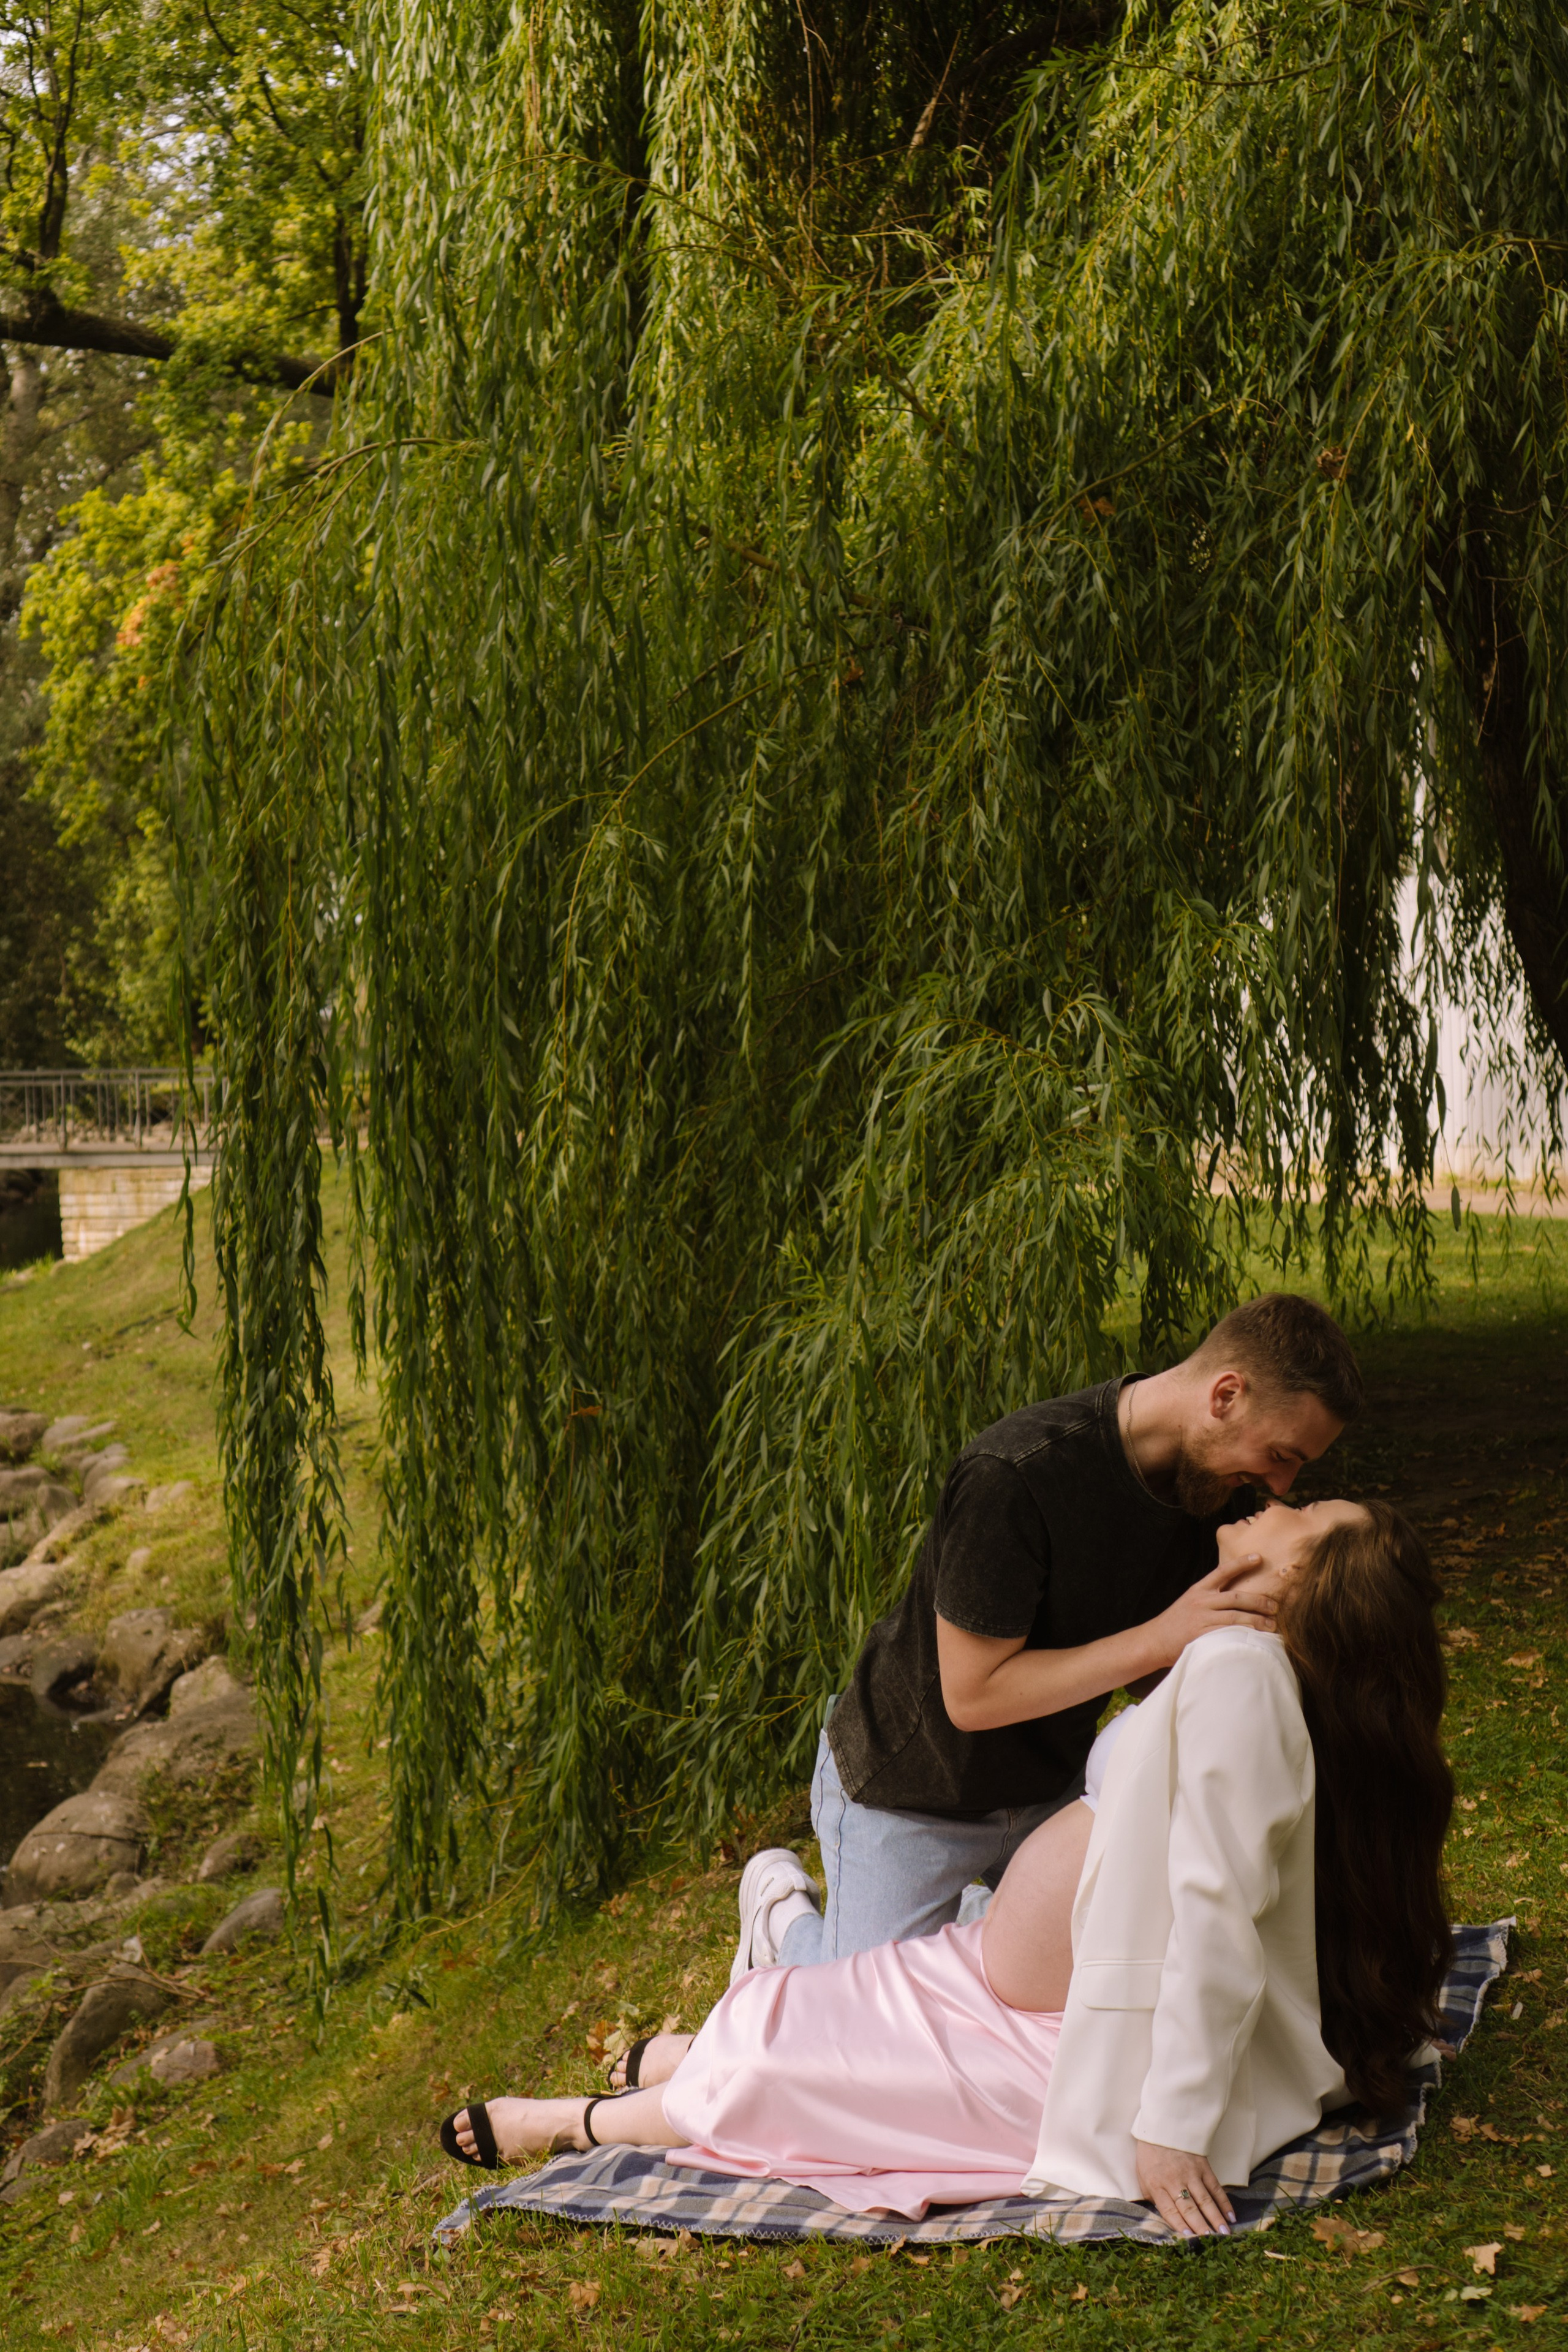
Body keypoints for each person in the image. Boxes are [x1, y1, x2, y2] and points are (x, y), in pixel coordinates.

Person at [439, 1495, 1453, 2236]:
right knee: (794, 2023)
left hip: (1061, 2052)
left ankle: (575, 2124)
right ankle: (682, 2054)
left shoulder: (1243, 1676)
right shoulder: (1244, 1661)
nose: (1280, 1499)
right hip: (1006, 1989)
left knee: (784, 2067)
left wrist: (1171, 2127)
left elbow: (1222, 1909)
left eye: (1308, 1512)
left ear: (1302, 1587)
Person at [732, 1294, 1362, 1979]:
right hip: (911, 1790)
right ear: (1226, 1395)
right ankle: (782, 1923)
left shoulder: (1222, 1494)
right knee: (843, 2027)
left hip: (1048, 1787)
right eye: (1279, 1455)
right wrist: (1162, 1637)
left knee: (1107, 1970)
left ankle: (970, 1915)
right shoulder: (1015, 1476)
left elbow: (1178, 1664)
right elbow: (972, 1698)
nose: (1280, 1485)